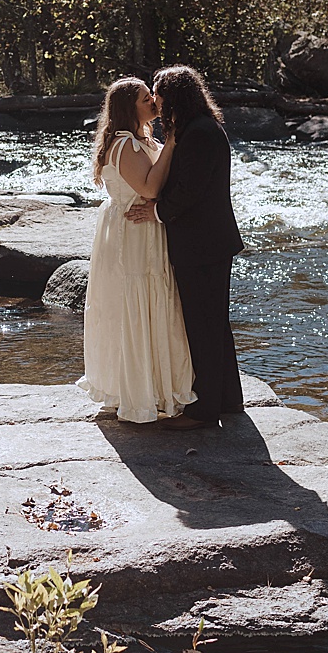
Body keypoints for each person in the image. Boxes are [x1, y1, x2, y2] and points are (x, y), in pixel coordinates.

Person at [126, 64, 245, 429]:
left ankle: (205, 410)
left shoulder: (199, 134)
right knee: (214, 322)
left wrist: (156, 211)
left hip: (202, 243)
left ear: (175, 95)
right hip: (210, 241)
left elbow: (189, 192)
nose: (156, 100)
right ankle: (228, 399)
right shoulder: (199, 128)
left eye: (159, 93)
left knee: (202, 325)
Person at [78, 77, 195, 425]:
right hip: (134, 233)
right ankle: (139, 393)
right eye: (147, 99)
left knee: (149, 305)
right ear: (130, 107)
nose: (154, 104)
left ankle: (156, 387)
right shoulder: (124, 144)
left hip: (144, 229)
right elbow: (150, 185)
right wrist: (172, 143)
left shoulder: (141, 139)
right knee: (136, 306)